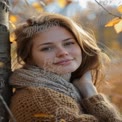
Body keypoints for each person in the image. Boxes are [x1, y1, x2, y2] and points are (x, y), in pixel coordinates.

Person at [9, 12, 122, 122]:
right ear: (29, 57)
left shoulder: (66, 90)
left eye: (68, 43)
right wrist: (92, 96)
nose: (62, 52)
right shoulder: (37, 99)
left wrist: (88, 89)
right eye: (47, 48)